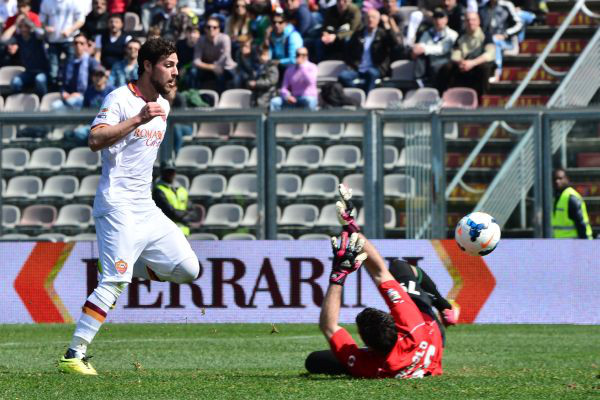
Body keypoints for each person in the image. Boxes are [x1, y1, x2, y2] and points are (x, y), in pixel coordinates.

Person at [57, 38, 200, 376]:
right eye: (168, 65)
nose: (175, 71)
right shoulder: (120, 99)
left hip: (145, 207)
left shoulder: (164, 106)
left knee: (188, 269)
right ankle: (73, 355)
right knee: (113, 280)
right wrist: (137, 118)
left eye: (177, 65)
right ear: (147, 65)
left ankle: (125, 266)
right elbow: (95, 140)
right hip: (117, 204)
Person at [305, 185, 458, 378]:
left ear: (366, 344)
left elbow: (329, 326)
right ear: (397, 325)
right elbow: (380, 272)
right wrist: (351, 228)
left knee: (315, 361)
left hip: (401, 354)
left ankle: (442, 304)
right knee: (399, 268)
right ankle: (443, 307)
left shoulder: (368, 366)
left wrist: (338, 274)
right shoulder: (412, 325)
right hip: (429, 332)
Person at [436, 12, 495, 97]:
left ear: (479, 21)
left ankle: (482, 97)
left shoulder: (486, 35)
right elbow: (455, 53)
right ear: (465, 22)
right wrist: (461, 62)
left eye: (473, 20)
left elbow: (490, 53)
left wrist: (473, 63)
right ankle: (442, 96)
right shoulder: (461, 35)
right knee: (446, 67)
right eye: (468, 20)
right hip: (463, 65)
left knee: (485, 67)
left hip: (478, 64)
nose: (471, 22)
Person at [338, 8, 393, 94]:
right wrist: (351, 64)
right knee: (343, 76)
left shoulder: (383, 34)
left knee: (371, 73)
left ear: (378, 20)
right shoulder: (358, 34)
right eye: (368, 17)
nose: (370, 19)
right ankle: (359, 92)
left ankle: (366, 98)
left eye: (373, 17)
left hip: (375, 68)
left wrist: (387, 26)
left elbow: (395, 44)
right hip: (358, 68)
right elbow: (348, 51)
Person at [1, 8, 48, 96]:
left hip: (42, 71)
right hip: (28, 72)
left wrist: (30, 23)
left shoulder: (36, 37)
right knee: (15, 82)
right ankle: (18, 103)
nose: (23, 29)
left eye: (25, 26)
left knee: (40, 79)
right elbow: (3, 40)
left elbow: (42, 33)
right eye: (21, 26)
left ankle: (42, 102)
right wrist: (15, 24)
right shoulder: (19, 38)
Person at [40, 0, 85, 88]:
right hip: (53, 41)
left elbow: (81, 20)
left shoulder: (74, 2)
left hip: (70, 40)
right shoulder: (46, 2)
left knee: (70, 68)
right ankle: (54, 90)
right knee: (53, 71)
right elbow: (41, 20)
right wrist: (46, 27)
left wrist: (70, 30)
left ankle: (69, 89)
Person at [52, 33, 101, 111]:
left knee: (72, 102)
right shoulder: (67, 62)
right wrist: (63, 92)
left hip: (85, 97)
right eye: (75, 43)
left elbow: (97, 83)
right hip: (68, 97)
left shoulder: (92, 62)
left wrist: (81, 94)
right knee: (54, 106)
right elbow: (62, 82)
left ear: (86, 45)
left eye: (81, 43)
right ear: (72, 45)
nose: (78, 45)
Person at [411, 7, 458, 88]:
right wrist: (417, 49)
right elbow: (421, 44)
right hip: (429, 62)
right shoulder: (427, 32)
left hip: (443, 62)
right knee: (418, 55)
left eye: (441, 18)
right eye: (436, 18)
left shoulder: (452, 34)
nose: (438, 21)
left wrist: (425, 49)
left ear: (446, 19)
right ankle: (419, 80)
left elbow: (443, 49)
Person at [478, 0, 522, 82]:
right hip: (487, 42)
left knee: (494, 41)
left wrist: (505, 34)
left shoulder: (507, 5)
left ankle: (496, 72)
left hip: (507, 43)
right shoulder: (482, 7)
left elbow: (519, 25)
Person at [191, 15, 237, 92]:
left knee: (222, 75)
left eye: (214, 27)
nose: (211, 29)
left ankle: (222, 99)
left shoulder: (224, 38)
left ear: (219, 29)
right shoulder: (200, 40)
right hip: (208, 67)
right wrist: (212, 67)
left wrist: (216, 67)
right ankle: (193, 95)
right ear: (205, 29)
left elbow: (225, 57)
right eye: (208, 27)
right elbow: (196, 61)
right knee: (193, 72)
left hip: (225, 67)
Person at [152, 161, 197, 237]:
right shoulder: (158, 190)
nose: (170, 174)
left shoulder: (182, 190)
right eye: (167, 171)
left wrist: (185, 217)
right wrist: (184, 217)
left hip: (184, 232)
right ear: (162, 173)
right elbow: (169, 211)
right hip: (167, 232)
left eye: (172, 171)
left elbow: (193, 212)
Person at [270, 47, 318, 111]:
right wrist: (287, 96)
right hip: (294, 98)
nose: (300, 57)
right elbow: (284, 88)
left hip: (308, 97)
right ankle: (275, 120)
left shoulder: (312, 67)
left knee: (309, 101)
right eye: (298, 54)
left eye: (303, 55)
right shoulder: (289, 70)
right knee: (275, 101)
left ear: (307, 56)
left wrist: (302, 67)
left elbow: (310, 82)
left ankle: (308, 120)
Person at [552, 168, 593, 239]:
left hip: (575, 243)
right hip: (563, 243)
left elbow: (581, 224)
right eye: (555, 179)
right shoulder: (558, 197)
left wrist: (585, 244)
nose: (557, 181)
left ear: (567, 179)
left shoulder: (571, 198)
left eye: (560, 178)